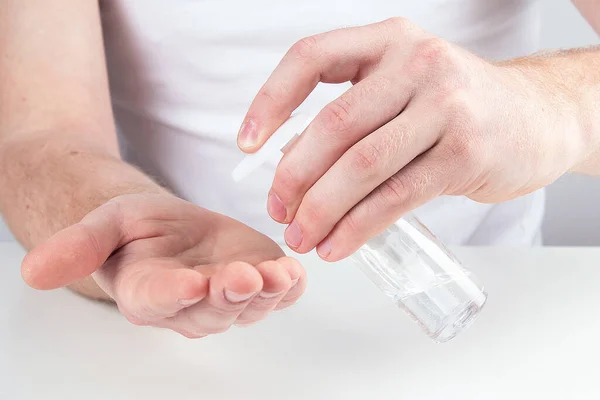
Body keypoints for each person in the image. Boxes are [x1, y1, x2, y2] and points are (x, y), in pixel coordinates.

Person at [0, 0, 598, 338]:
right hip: (163, 355)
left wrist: (552, 107)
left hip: (509, 332)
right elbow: (40, 131)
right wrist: (117, 226)